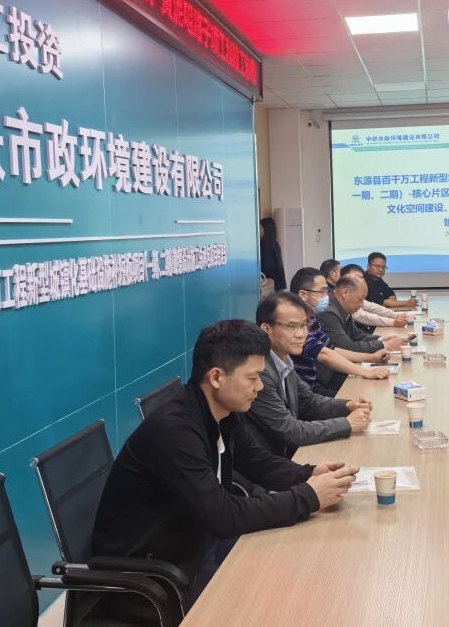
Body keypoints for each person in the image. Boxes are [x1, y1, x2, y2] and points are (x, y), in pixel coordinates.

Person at [86, 320, 358, 624]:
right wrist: (309, 496)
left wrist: (307, 474)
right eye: (252, 378)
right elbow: (223, 516)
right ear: (216, 377)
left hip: (194, 541)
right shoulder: (175, 430)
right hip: (159, 572)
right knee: (278, 603)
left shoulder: (220, 411)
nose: (260, 387)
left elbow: (256, 460)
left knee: (300, 570)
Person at [249, 292, 374, 457]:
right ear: (267, 329)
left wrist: (348, 405)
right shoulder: (258, 372)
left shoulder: (283, 359)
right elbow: (289, 431)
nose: (301, 334)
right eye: (291, 326)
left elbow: (308, 402)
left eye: (304, 325)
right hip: (272, 461)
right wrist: (347, 424)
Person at [289, 267, 391, 396]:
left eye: (327, 291)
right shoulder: (294, 324)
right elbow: (324, 354)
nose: (327, 296)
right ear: (304, 295)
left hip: (320, 382)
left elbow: (332, 349)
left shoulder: (312, 318)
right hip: (310, 392)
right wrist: (367, 372)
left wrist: (371, 357)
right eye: (322, 291)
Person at [318, 275, 406, 357]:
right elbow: (347, 347)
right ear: (345, 292)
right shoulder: (328, 312)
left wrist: (382, 339)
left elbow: (357, 335)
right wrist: (385, 345)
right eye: (360, 299)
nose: (361, 305)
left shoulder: (343, 306)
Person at [341, 263, 408, 330]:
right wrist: (393, 322)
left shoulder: (376, 282)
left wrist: (395, 315)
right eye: (356, 278)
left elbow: (372, 306)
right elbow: (363, 316)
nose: (360, 281)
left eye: (361, 278)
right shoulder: (341, 299)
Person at [259, 217, 286, 291]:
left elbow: (268, 266)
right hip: (277, 283)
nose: (258, 231)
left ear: (266, 229)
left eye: (260, 228)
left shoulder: (265, 245)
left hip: (270, 283)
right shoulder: (274, 242)